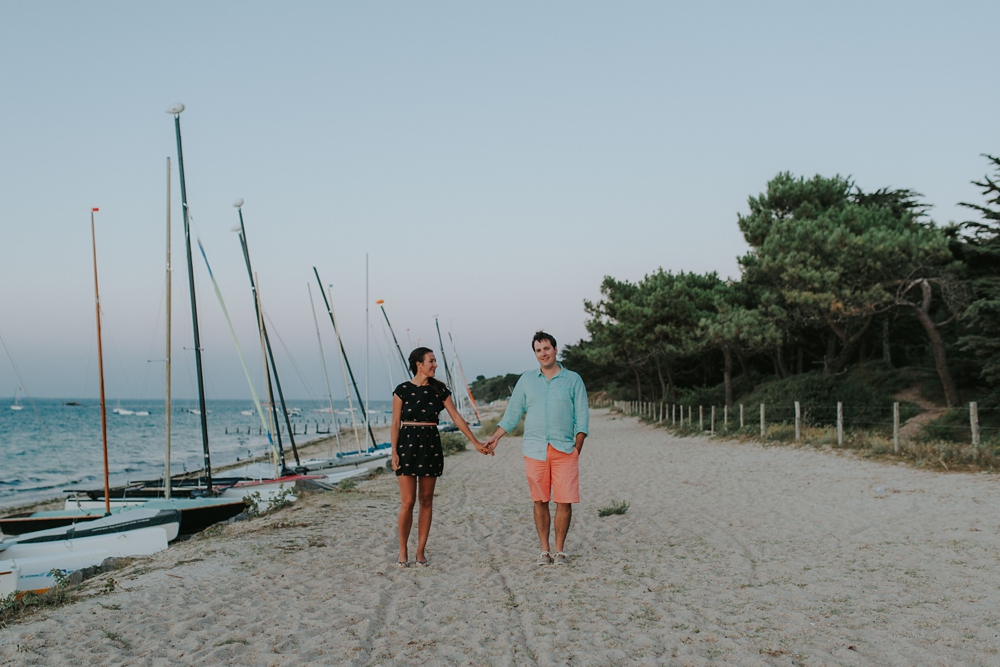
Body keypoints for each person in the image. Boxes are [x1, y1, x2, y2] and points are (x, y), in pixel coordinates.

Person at [485, 331, 588, 566]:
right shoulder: (526, 380)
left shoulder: (573, 380)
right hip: (534, 449)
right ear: (535, 354)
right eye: (538, 350)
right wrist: (496, 436)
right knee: (539, 500)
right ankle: (544, 551)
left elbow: (582, 417)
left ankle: (559, 551)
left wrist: (577, 448)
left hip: (565, 449)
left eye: (547, 348)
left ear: (555, 349)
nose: (543, 353)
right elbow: (513, 413)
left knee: (564, 501)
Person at [391, 346, 490, 567]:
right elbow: (396, 423)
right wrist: (394, 451)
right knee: (408, 501)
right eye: (431, 361)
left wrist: (475, 442)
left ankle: (420, 551)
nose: (435, 365)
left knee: (426, 500)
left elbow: (456, 416)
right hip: (407, 444)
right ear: (419, 364)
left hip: (430, 445)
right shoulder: (402, 390)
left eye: (435, 361)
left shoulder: (439, 390)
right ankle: (402, 550)